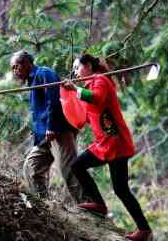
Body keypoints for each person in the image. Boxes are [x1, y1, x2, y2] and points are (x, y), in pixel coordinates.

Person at [62, 54, 152, 241]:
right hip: (103, 143)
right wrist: (69, 94)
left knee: (120, 189)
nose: (76, 72)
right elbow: (86, 114)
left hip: (116, 142)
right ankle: (99, 204)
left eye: (77, 67)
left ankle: (144, 230)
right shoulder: (90, 84)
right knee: (78, 166)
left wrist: (76, 89)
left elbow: (97, 99)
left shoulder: (101, 80)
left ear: (87, 66)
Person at [10, 50, 83, 204]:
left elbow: (54, 100)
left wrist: (51, 126)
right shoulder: (32, 81)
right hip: (44, 136)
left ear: (27, 63)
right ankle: (43, 203)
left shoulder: (44, 73)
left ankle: (88, 206)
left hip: (58, 131)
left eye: (16, 66)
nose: (14, 71)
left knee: (68, 170)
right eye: (12, 68)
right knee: (32, 167)